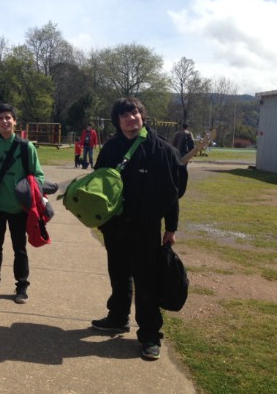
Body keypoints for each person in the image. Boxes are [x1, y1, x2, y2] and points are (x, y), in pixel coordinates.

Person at [90, 97, 188, 360]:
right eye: (124, 115)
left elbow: (171, 194)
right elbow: (97, 184)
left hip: (145, 228)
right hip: (115, 226)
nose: (130, 119)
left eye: (134, 113)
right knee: (118, 273)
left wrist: (171, 228)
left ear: (143, 116)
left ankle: (150, 334)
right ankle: (118, 317)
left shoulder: (161, 150)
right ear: (117, 121)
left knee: (146, 282)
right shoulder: (111, 148)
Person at [0, 103, 45, 304]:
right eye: (1, 118)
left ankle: (22, 285)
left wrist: (28, 189)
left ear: (15, 121)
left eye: (8, 117)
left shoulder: (26, 147)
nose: (4, 121)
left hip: (19, 209)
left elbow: (39, 175)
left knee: (19, 248)